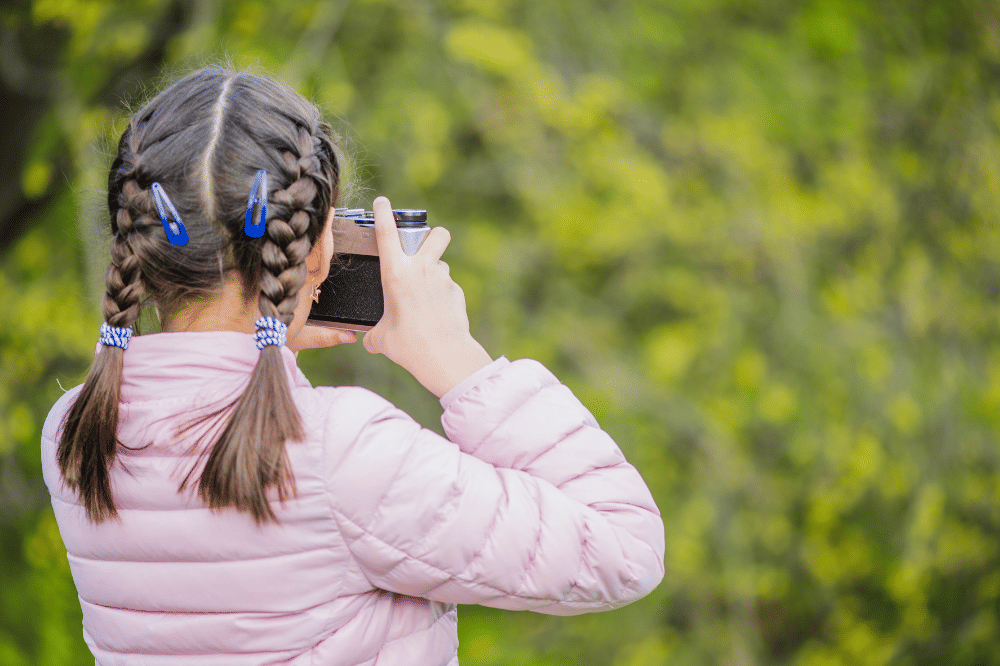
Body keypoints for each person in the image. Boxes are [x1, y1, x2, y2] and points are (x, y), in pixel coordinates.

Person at [40, 67, 664, 666]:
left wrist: (257, 345)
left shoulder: (73, 432)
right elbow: (622, 548)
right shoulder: (342, 451)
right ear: (316, 255)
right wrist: (462, 366)